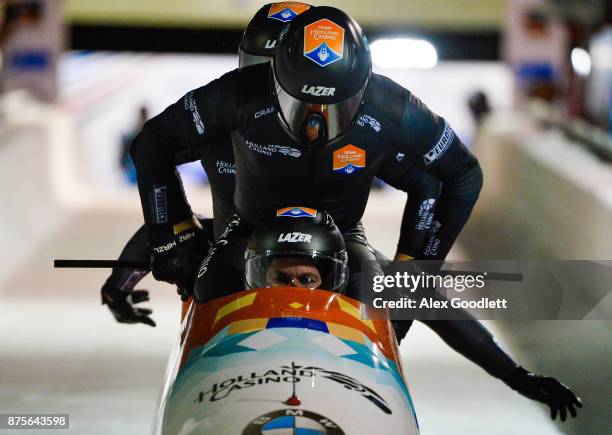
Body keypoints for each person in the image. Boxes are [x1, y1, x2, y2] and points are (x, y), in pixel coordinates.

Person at [101, 2, 441, 326]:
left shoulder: (344, 133)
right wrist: (165, 245)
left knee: (395, 293)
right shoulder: (221, 122)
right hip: (241, 263)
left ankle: (495, 364)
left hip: (327, 259)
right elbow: (155, 163)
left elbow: (426, 182)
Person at [244, 209, 583, 422]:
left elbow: (442, 313)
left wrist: (518, 377)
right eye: (281, 279)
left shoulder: (367, 280)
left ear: (333, 279)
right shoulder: (230, 276)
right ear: (259, 275)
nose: (295, 290)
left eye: (307, 280)